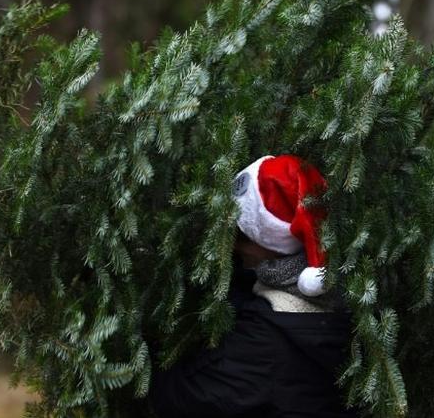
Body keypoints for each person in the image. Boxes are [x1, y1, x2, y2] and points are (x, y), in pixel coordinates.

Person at [149, 155, 358, 418]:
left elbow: (179, 397)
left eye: (243, 236)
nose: (233, 246)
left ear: (276, 244)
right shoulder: (348, 285)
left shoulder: (268, 340)